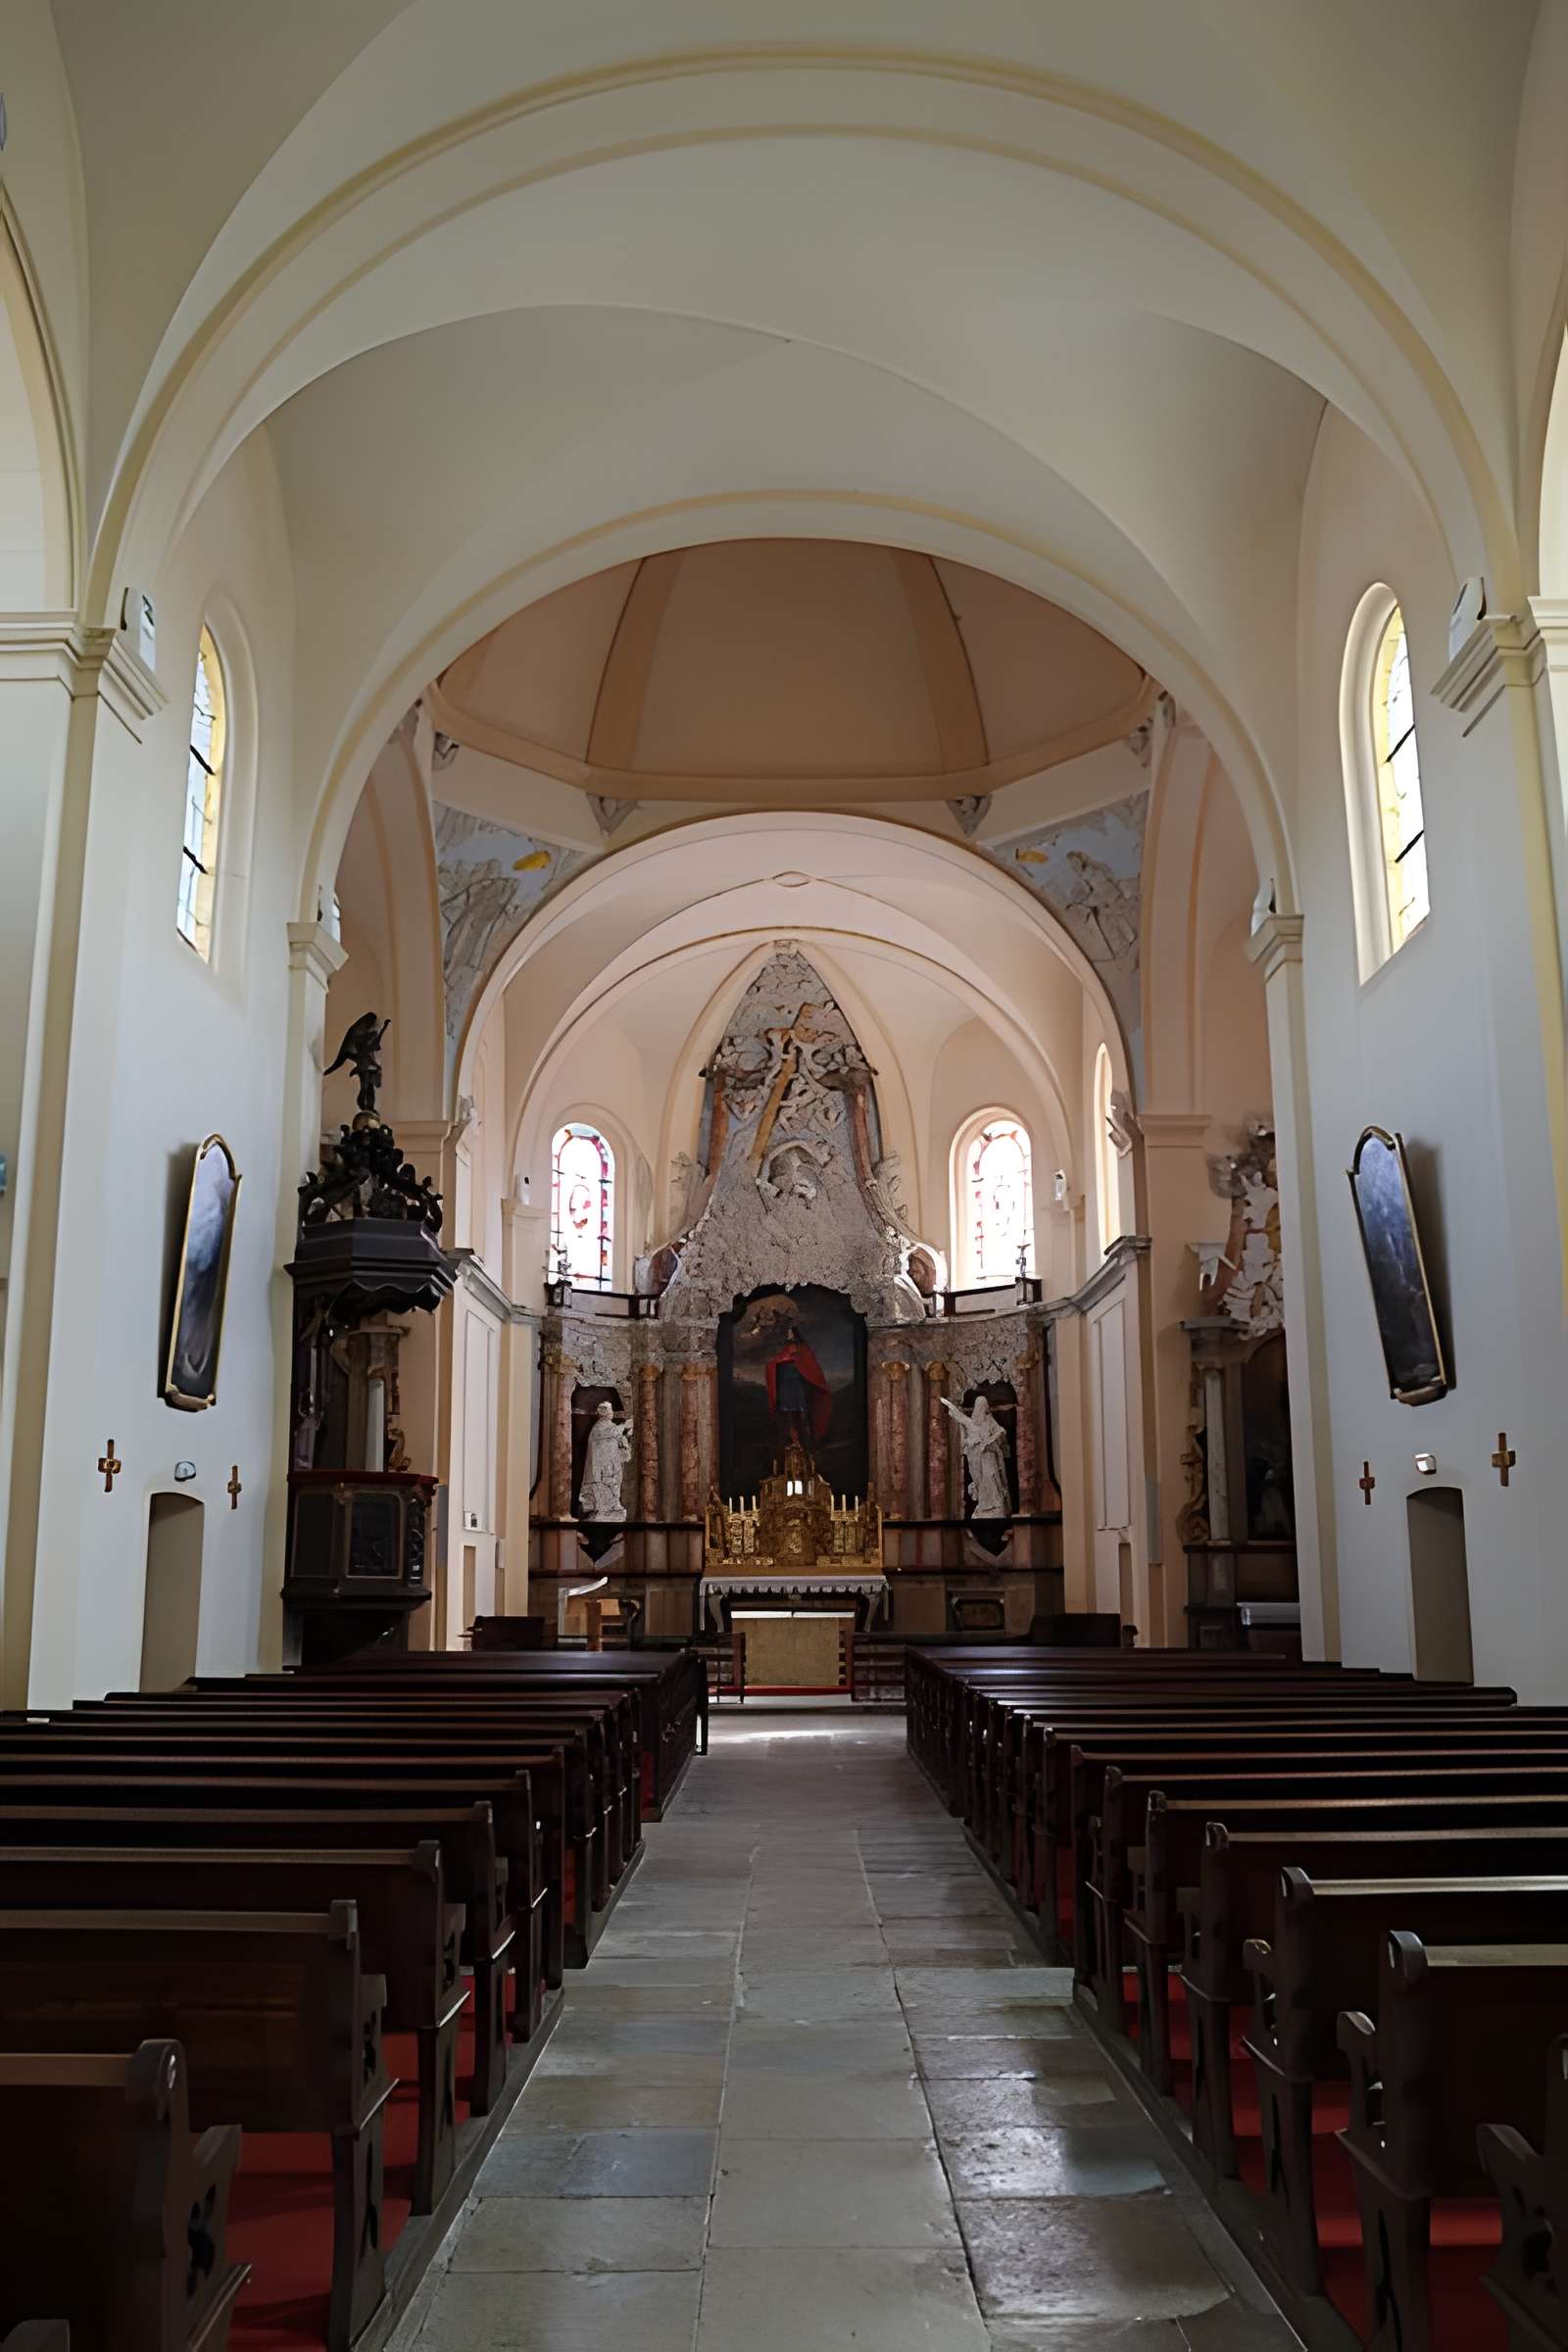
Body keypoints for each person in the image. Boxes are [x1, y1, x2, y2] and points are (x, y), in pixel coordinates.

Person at [764, 1313, 833, 1452]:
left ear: (795, 1333)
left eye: (791, 1331)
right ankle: (793, 1442)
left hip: (797, 1389)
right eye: (787, 1332)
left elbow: (810, 1368)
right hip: (785, 1388)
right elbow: (773, 1365)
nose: (789, 1335)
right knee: (789, 1418)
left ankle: (806, 1443)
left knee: (802, 1416)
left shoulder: (802, 1350)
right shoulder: (782, 1351)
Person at [942, 1392, 1012, 1520]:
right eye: (979, 1406)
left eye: (983, 1406)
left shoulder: (990, 1421)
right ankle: (984, 1506)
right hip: (975, 1458)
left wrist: (990, 1440)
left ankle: (996, 1506)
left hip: (989, 1456)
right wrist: (948, 1404)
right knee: (979, 1481)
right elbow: (959, 1416)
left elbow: (1002, 1431)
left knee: (991, 1477)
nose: (981, 1409)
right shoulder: (971, 1423)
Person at [578, 1399, 634, 1521]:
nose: (612, 1413)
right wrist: (625, 1426)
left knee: (615, 1482)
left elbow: (618, 1437)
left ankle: (613, 1505)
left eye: (611, 1410)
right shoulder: (598, 1427)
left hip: (612, 1464)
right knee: (604, 1484)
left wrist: (625, 1438)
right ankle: (602, 1507)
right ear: (606, 1413)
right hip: (602, 1466)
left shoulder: (610, 1427)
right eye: (610, 1410)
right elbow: (610, 1434)